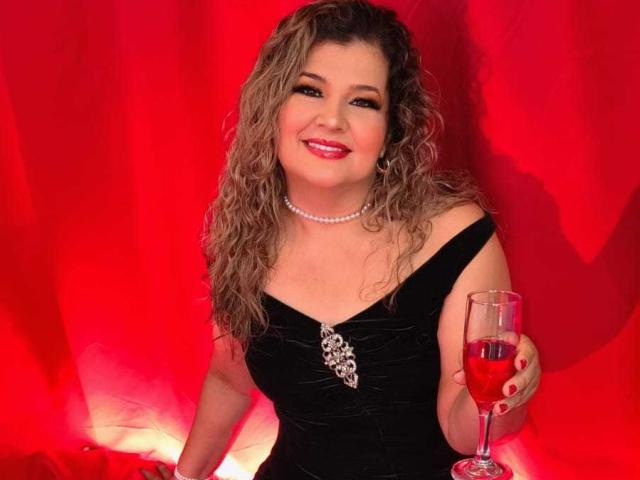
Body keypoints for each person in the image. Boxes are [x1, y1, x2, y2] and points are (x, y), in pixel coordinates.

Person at [141, 1, 541, 479]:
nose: (331, 119)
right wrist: (185, 477)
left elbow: (465, 433)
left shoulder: (456, 236)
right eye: (310, 90)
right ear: (273, 108)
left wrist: (506, 392)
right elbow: (229, 381)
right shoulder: (244, 238)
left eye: (363, 101)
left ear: (391, 130)